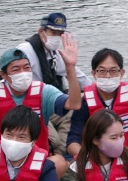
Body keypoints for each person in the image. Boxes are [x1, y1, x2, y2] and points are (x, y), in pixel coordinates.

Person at [0, 35, 81, 173]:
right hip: (2, 159)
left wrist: (70, 67)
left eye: (26, 67)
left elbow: (74, 104)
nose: (22, 73)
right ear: (4, 75)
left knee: (60, 163)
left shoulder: (44, 91)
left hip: (36, 159)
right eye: (16, 69)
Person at [14, 12, 91, 155]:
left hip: (47, 103)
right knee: (53, 139)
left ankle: (60, 154)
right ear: (41, 31)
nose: (56, 37)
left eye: (60, 33)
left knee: (74, 111)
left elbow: (79, 77)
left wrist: (95, 92)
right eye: (52, 32)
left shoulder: (54, 54)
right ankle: (51, 150)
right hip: (28, 108)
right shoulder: (25, 51)